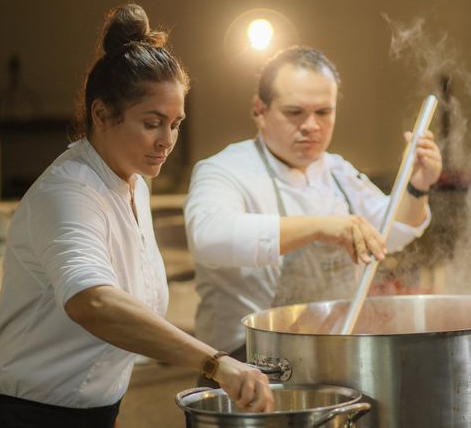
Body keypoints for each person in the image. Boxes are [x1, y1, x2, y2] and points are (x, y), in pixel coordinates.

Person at [0, 3, 273, 428]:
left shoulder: (136, 185)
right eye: (152, 122)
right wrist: (215, 362)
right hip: (17, 416)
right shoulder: (68, 191)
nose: (166, 140)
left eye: (175, 123)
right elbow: (93, 302)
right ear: (101, 114)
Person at [184, 46, 443, 370]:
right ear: (259, 110)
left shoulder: (337, 172)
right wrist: (321, 227)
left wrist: (417, 187)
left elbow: (389, 232)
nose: (311, 125)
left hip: (334, 356)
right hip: (246, 362)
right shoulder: (225, 170)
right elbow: (209, 239)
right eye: (295, 112)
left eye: (324, 112)